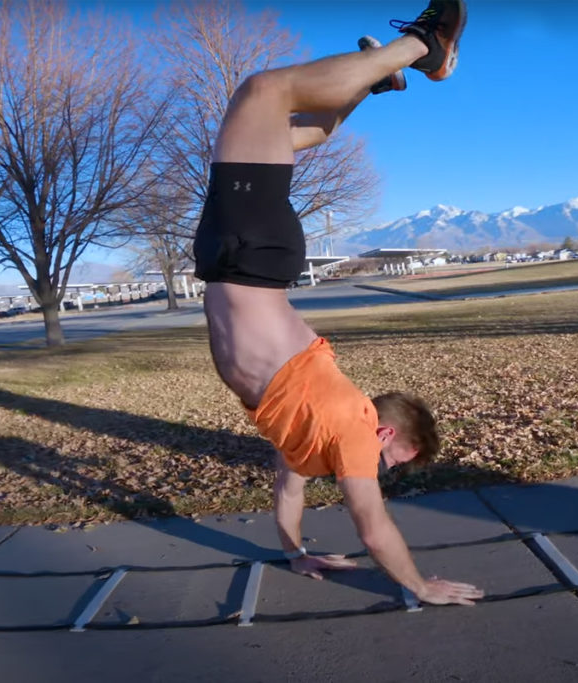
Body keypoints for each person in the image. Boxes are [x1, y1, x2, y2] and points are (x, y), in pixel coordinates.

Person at [193, 0, 482, 607]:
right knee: (264, 91)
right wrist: (419, 586)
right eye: (398, 460)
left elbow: (288, 490)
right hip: (246, 256)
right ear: (385, 433)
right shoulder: (352, 431)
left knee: (291, 129)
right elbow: (372, 526)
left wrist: (296, 552)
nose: (389, 473)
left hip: (234, 257)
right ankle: (426, 46)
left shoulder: (313, 438)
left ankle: (377, 79)